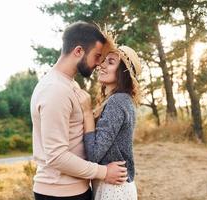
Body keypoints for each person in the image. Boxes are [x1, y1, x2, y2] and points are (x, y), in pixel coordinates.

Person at [30, 21, 128, 200]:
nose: (99, 63)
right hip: (59, 193)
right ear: (78, 51)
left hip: (74, 189)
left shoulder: (68, 84)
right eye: (97, 56)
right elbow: (57, 156)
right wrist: (104, 172)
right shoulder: (54, 90)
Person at [76, 44, 141, 200]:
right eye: (103, 60)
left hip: (113, 190)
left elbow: (94, 154)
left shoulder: (117, 102)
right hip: (113, 187)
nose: (101, 65)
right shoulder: (121, 100)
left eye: (110, 62)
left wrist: (86, 113)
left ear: (123, 73)